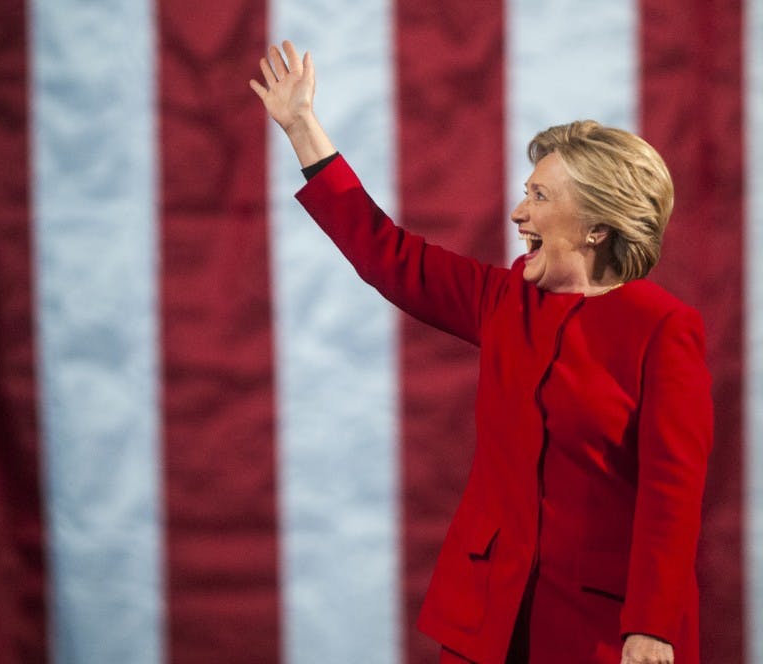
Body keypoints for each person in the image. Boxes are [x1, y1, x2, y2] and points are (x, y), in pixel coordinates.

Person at [250, 41, 713, 664]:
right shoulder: (503, 301)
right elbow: (386, 254)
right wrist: (304, 128)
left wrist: (652, 625)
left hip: (602, 627)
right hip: (486, 617)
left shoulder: (663, 328)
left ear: (597, 226)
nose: (519, 212)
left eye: (541, 198)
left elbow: (672, 493)